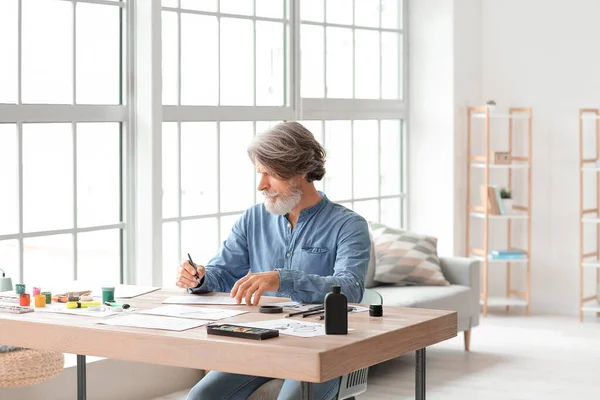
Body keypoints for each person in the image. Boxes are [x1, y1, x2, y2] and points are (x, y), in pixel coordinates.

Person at [177, 121, 371, 400]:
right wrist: (199, 277)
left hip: (324, 348)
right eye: (259, 173)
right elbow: (223, 272)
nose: (261, 185)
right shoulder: (253, 219)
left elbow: (350, 288)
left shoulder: (348, 225)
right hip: (263, 341)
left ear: (301, 171)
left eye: (271, 174)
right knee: (200, 397)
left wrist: (282, 277)